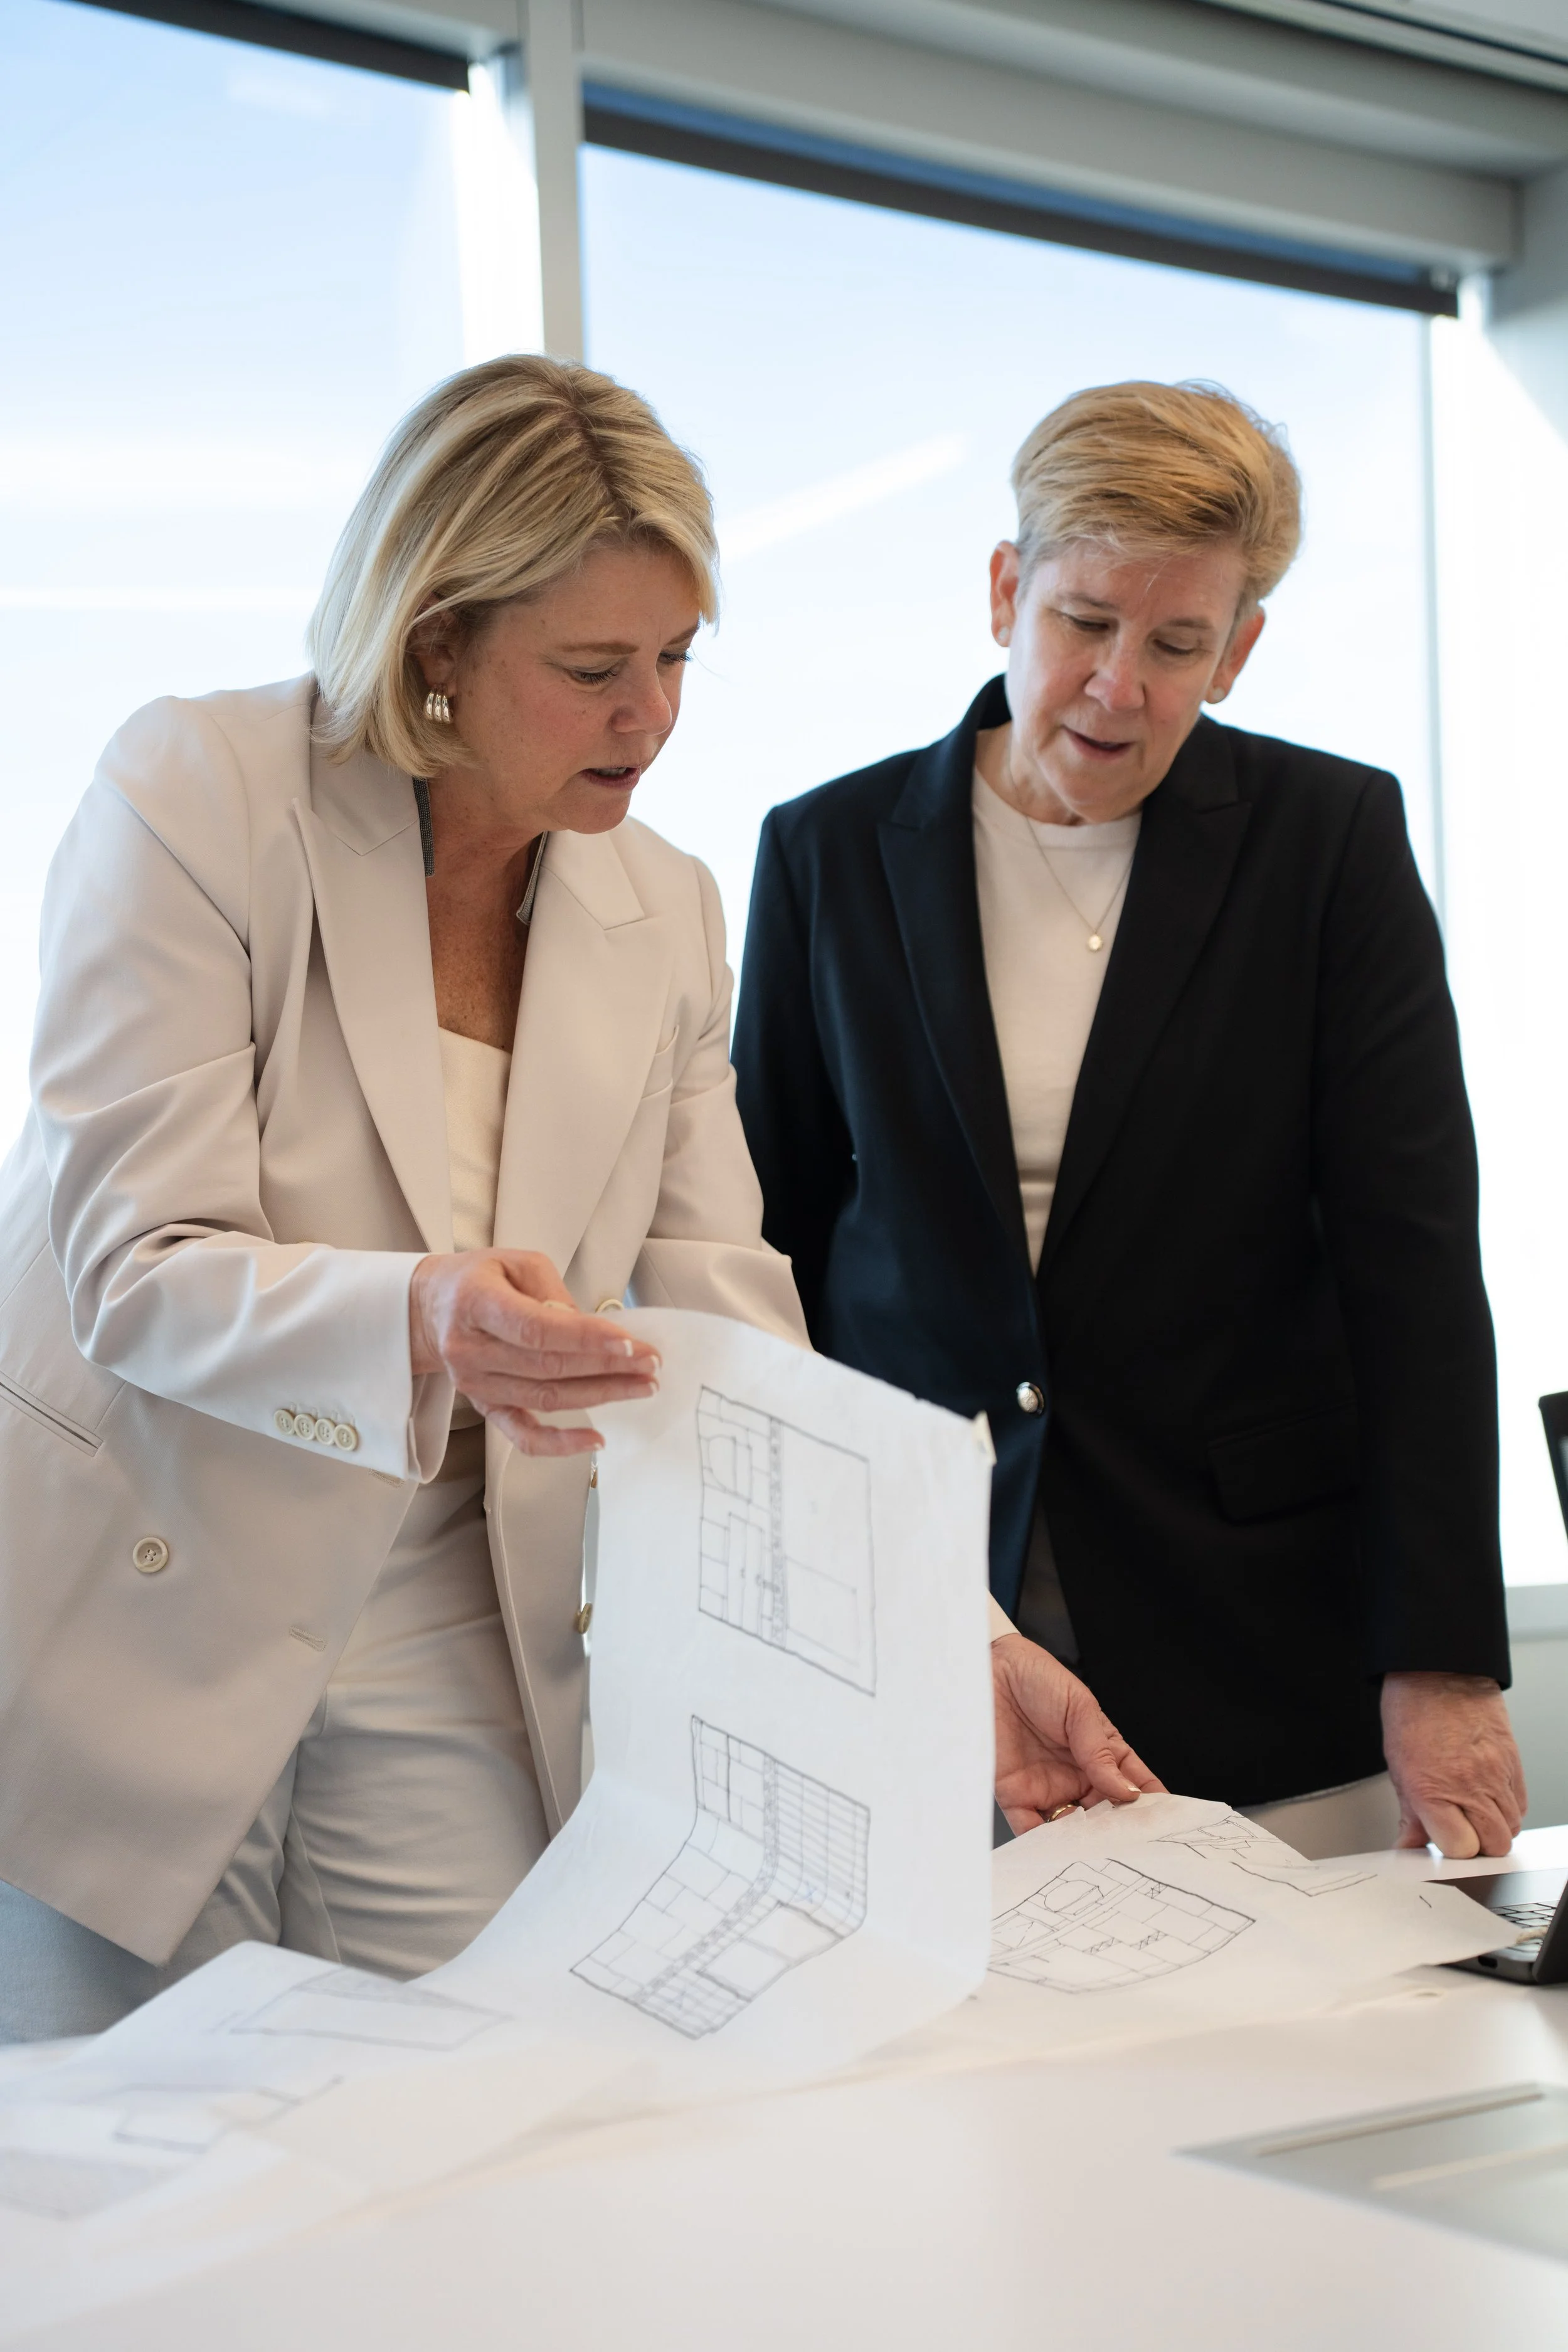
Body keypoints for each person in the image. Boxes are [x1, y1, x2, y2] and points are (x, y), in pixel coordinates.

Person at [0, 357, 1153, 2043]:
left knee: (482, 2123)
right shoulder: (201, 791)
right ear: (435, 645)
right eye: (593, 668)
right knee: (119, 2197)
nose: (652, 717)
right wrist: (424, 1318)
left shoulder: (666, 907)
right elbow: (138, 1269)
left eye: (677, 657)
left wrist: (946, 1638)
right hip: (142, 1586)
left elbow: (730, 1318)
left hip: (444, 1610)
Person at [734, 378, 1526, 1864]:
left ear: (1238, 647)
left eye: (1175, 645)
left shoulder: (1328, 845)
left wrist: (1442, 1662)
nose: (1119, 688)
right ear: (1001, 594)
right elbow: (756, 1254)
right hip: (918, 1608)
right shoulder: (825, 851)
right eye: (1084, 623)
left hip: (1250, 1621)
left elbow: (1411, 1270)